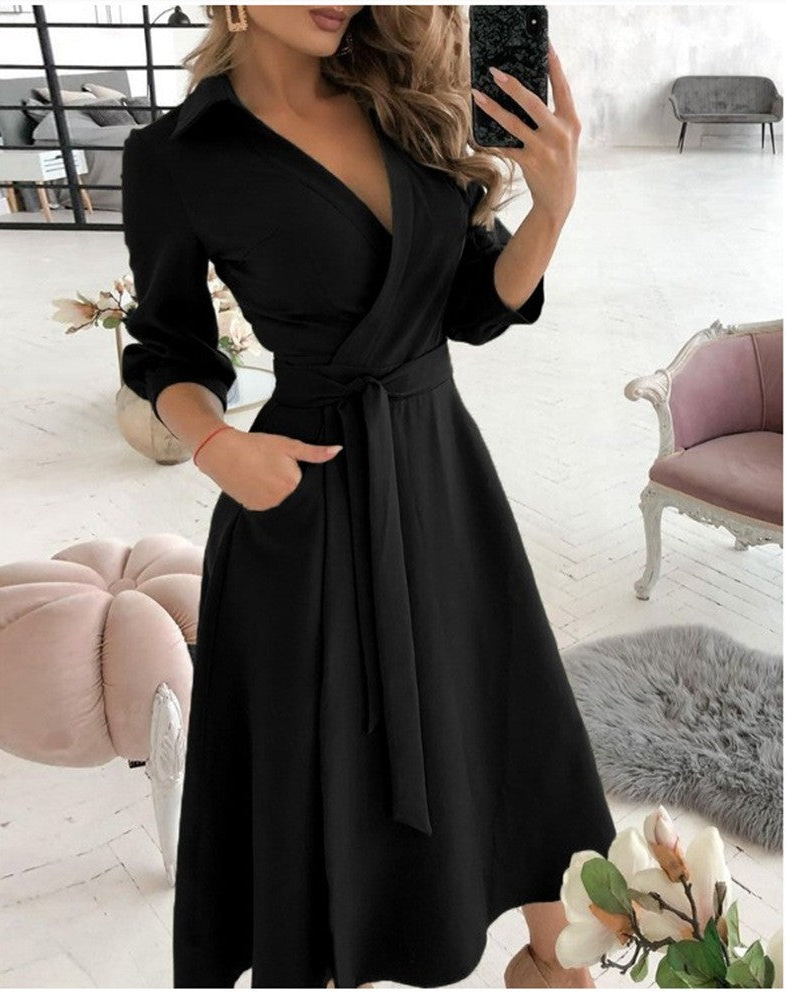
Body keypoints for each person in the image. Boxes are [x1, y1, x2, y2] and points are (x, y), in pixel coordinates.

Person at [120, 4, 616, 988]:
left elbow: (471, 306)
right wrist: (216, 445)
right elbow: (169, 349)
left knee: (516, 734)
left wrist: (552, 212)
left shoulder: (400, 100)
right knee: (334, 780)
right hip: (302, 506)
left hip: (444, 478)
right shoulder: (177, 156)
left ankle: (554, 969)